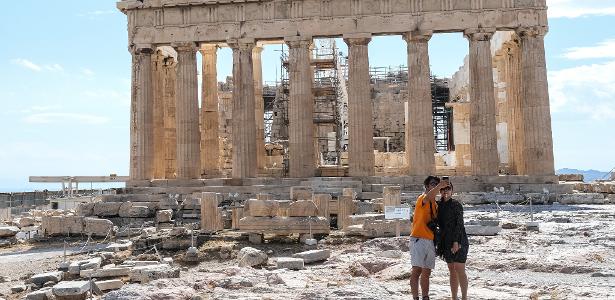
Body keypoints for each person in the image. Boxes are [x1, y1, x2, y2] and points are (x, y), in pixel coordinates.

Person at [410, 176, 450, 300]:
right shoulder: (422, 198)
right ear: (427, 186)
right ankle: (415, 297)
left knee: (427, 272)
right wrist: (439, 186)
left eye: (437, 184)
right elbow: (427, 198)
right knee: (417, 270)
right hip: (419, 238)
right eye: (433, 184)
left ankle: (425, 297)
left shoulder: (435, 204)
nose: (436, 186)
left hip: (431, 240)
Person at [437, 182, 469, 300]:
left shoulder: (456, 205)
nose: (446, 191)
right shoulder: (438, 205)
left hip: (459, 239)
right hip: (445, 240)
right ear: (439, 191)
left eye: (448, 189)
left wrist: (456, 242)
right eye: (443, 189)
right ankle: (454, 297)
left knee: (459, 268)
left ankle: (464, 297)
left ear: (452, 191)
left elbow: (459, 224)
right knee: (451, 269)